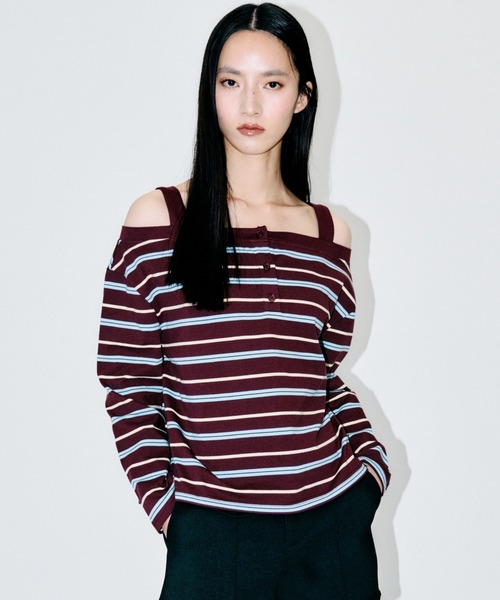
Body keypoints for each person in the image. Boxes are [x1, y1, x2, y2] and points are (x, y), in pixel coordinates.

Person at [97, 3, 390, 599]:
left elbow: (321, 373)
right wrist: (173, 516)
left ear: (303, 96)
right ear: (210, 91)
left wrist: (369, 472)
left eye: (272, 84)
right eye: (231, 82)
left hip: (331, 525)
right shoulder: (158, 219)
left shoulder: (329, 233)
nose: (250, 106)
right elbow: (129, 385)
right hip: (213, 532)